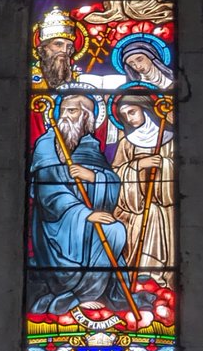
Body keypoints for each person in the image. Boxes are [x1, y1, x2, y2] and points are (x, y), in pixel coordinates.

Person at [27, 92, 131, 314]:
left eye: (71, 111)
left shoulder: (90, 145)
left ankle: (94, 291)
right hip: (57, 225)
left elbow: (112, 184)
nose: (64, 116)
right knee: (111, 230)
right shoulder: (47, 144)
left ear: (87, 117)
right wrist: (84, 213)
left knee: (115, 230)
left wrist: (93, 177)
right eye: (62, 110)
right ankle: (79, 294)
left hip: (84, 219)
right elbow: (48, 191)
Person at [111, 92, 174, 286]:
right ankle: (140, 274)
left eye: (132, 112)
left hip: (165, 206)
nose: (129, 118)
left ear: (146, 109)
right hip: (133, 209)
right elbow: (115, 174)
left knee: (156, 212)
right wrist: (137, 166)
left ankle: (158, 275)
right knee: (146, 216)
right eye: (125, 116)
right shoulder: (126, 142)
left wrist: (163, 164)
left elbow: (180, 168)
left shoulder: (169, 137)